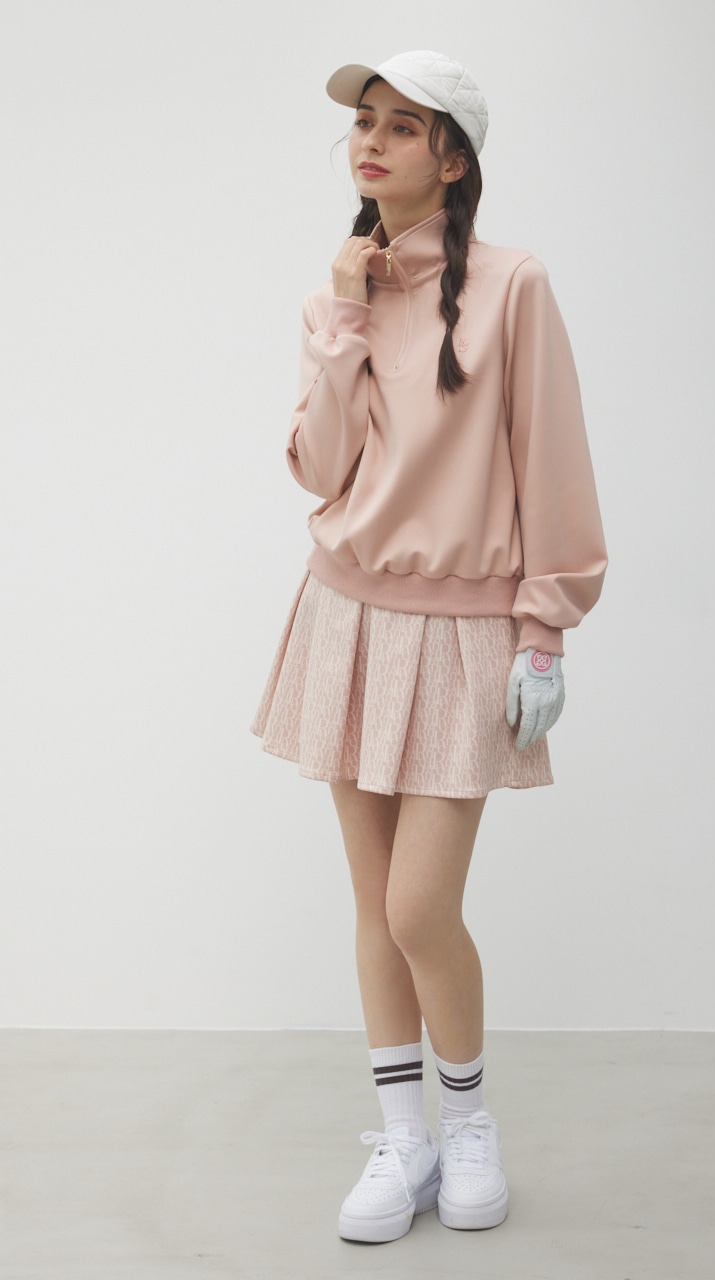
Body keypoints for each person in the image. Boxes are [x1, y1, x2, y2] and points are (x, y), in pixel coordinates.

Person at [251, 50, 607, 1244]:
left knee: (419, 907)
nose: (371, 142)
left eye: (403, 127)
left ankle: (467, 1123)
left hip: (461, 632)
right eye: (365, 121)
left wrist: (544, 629)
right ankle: (403, 1137)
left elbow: (553, 457)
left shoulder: (513, 285)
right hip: (344, 616)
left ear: (453, 157)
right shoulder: (339, 295)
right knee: (373, 902)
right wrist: (342, 314)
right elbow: (319, 469)